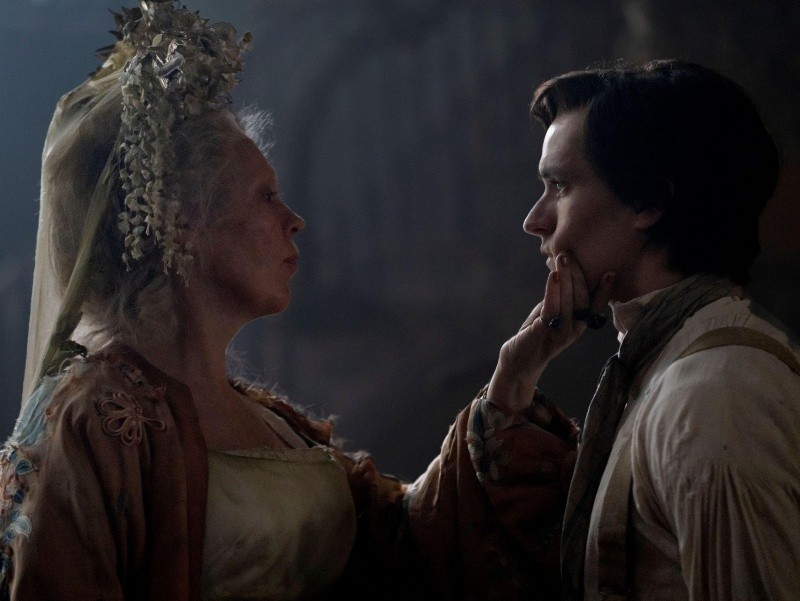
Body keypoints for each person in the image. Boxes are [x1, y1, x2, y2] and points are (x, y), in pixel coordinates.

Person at [0, 2, 580, 599]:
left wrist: (514, 377)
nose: (295, 220)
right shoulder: (91, 420)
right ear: (185, 222)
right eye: (265, 196)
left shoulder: (271, 421)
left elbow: (407, 539)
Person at [489, 59, 800, 600]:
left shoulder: (713, 396)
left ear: (647, 201)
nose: (534, 220)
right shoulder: (671, 368)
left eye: (559, 185)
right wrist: (516, 373)